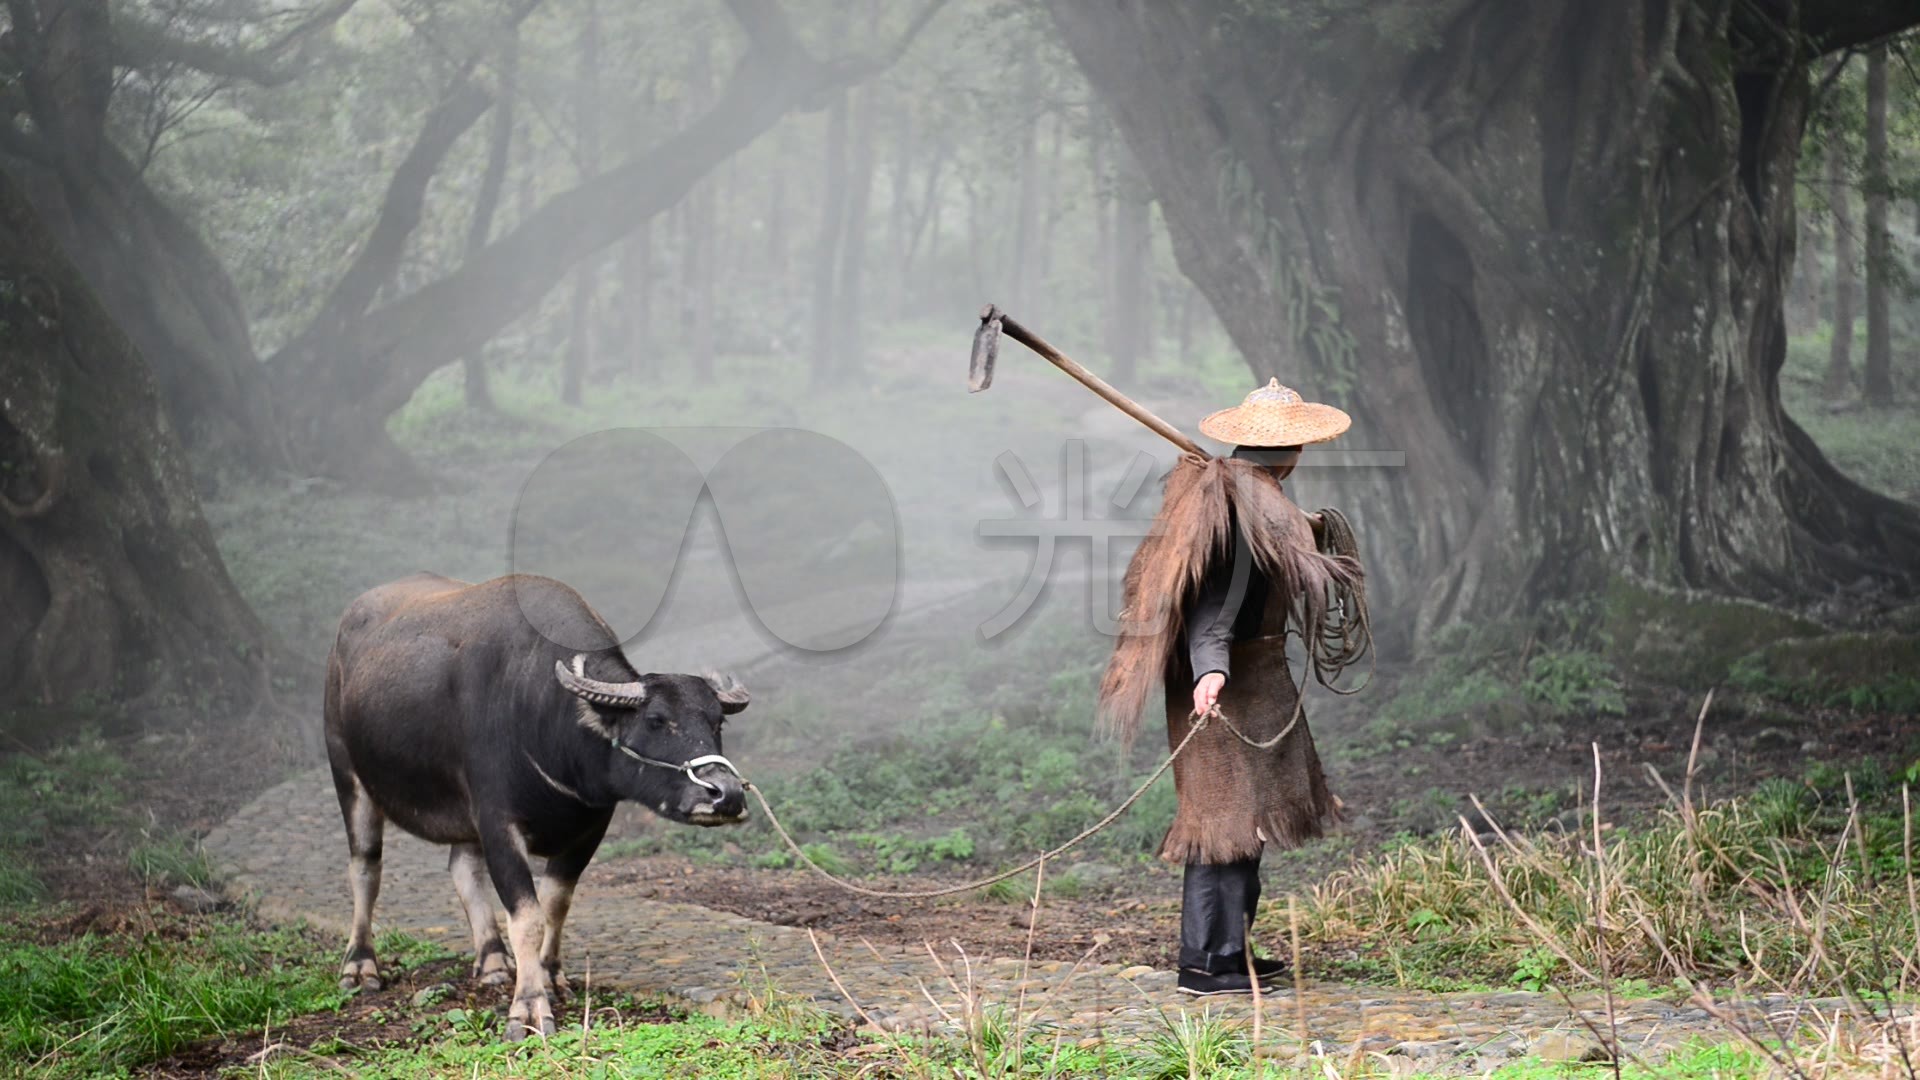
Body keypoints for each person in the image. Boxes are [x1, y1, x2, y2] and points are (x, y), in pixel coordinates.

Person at [1099, 379, 1370, 996]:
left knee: (1241, 826)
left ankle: (1231, 951)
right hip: (1227, 681)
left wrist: (1309, 530)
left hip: (1247, 677)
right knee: (1219, 826)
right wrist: (1211, 671)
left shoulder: (1256, 503)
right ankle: (1207, 964)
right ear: (1295, 451)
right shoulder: (1237, 513)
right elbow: (1215, 605)